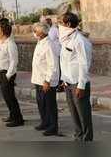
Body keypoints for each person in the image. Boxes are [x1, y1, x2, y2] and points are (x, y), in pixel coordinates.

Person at [58, 12, 93, 142]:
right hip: (68, 83)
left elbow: (84, 64)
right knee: (75, 117)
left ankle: (87, 142)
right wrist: (64, 79)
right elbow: (66, 62)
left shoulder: (80, 40)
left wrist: (81, 85)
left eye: (60, 23)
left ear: (67, 24)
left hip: (78, 84)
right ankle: (78, 140)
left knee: (84, 117)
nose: (59, 26)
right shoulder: (66, 39)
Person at [31, 22, 60, 136]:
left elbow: (52, 65)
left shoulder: (49, 44)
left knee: (50, 104)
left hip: (46, 80)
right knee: (41, 103)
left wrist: (48, 80)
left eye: (36, 31)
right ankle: (45, 122)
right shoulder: (40, 43)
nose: (34, 33)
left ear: (42, 32)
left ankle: (53, 126)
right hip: (38, 79)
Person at [0, 22, 24, 127]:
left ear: (2, 32)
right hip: (0, 73)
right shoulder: (0, 42)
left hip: (6, 74)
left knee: (10, 97)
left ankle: (18, 119)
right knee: (6, 97)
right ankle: (12, 115)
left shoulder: (10, 44)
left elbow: (13, 61)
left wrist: (8, 76)